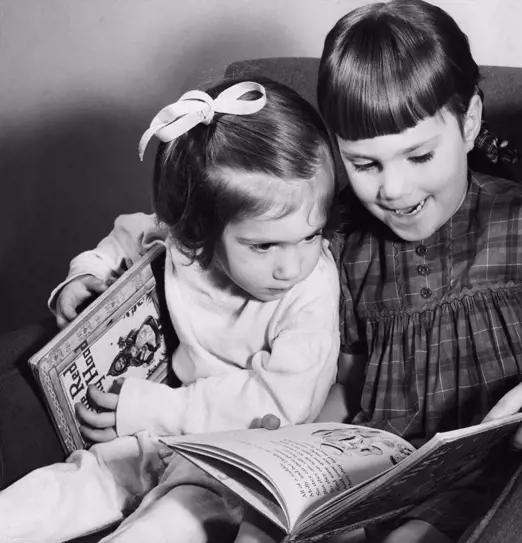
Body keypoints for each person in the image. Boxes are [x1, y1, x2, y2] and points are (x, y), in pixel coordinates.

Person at [256, 1, 522, 542]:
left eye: (419, 157)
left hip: (486, 467)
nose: (394, 189)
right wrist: (300, 444)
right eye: (364, 164)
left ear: (469, 122)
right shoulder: (350, 250)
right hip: (381, 471)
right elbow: (350, 383)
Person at [0, 76, 340, 543]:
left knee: (174, 519)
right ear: (203, 229)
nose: (292, 265)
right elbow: (127, 234)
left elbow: (282, 402)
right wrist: (84, 274)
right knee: (71, 486)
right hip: (158, 426)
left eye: (311, 234)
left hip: (236, 454)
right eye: (264, 245)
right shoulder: (186, 242)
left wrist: (148, 408)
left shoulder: (312, 287)